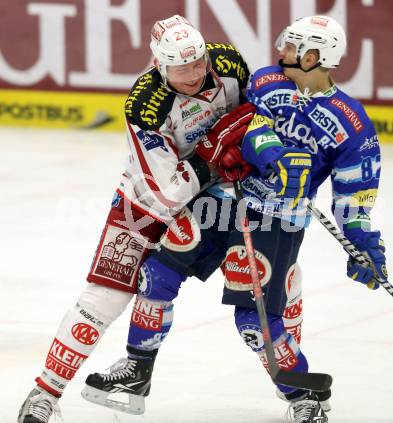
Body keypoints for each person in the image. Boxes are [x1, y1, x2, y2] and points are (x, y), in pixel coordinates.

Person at [84, 15, 387, 423]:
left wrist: (361, 244)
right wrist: (271, 155)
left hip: (277, 219)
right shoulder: (265, 82)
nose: (282, 51)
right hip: (223, 198)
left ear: (317, 57)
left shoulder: (352, 123)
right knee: (157, 274)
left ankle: (301, 394)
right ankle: (137, 369)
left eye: (294, 47)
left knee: (252, 318)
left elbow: (355, 195)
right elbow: (250, 128)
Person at [17, 14, 253, 423]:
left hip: (214, 199)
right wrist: (215, 149)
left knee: (267, 280)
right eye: (182, 67)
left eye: (198, 61)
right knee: (103, 297)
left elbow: (254, 114)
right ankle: (44, 393)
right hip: (144, 204)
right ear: (159, 64)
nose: (196, 73)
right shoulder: (145, 103)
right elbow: (169, 189)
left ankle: (298, 389)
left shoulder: (228, 62)